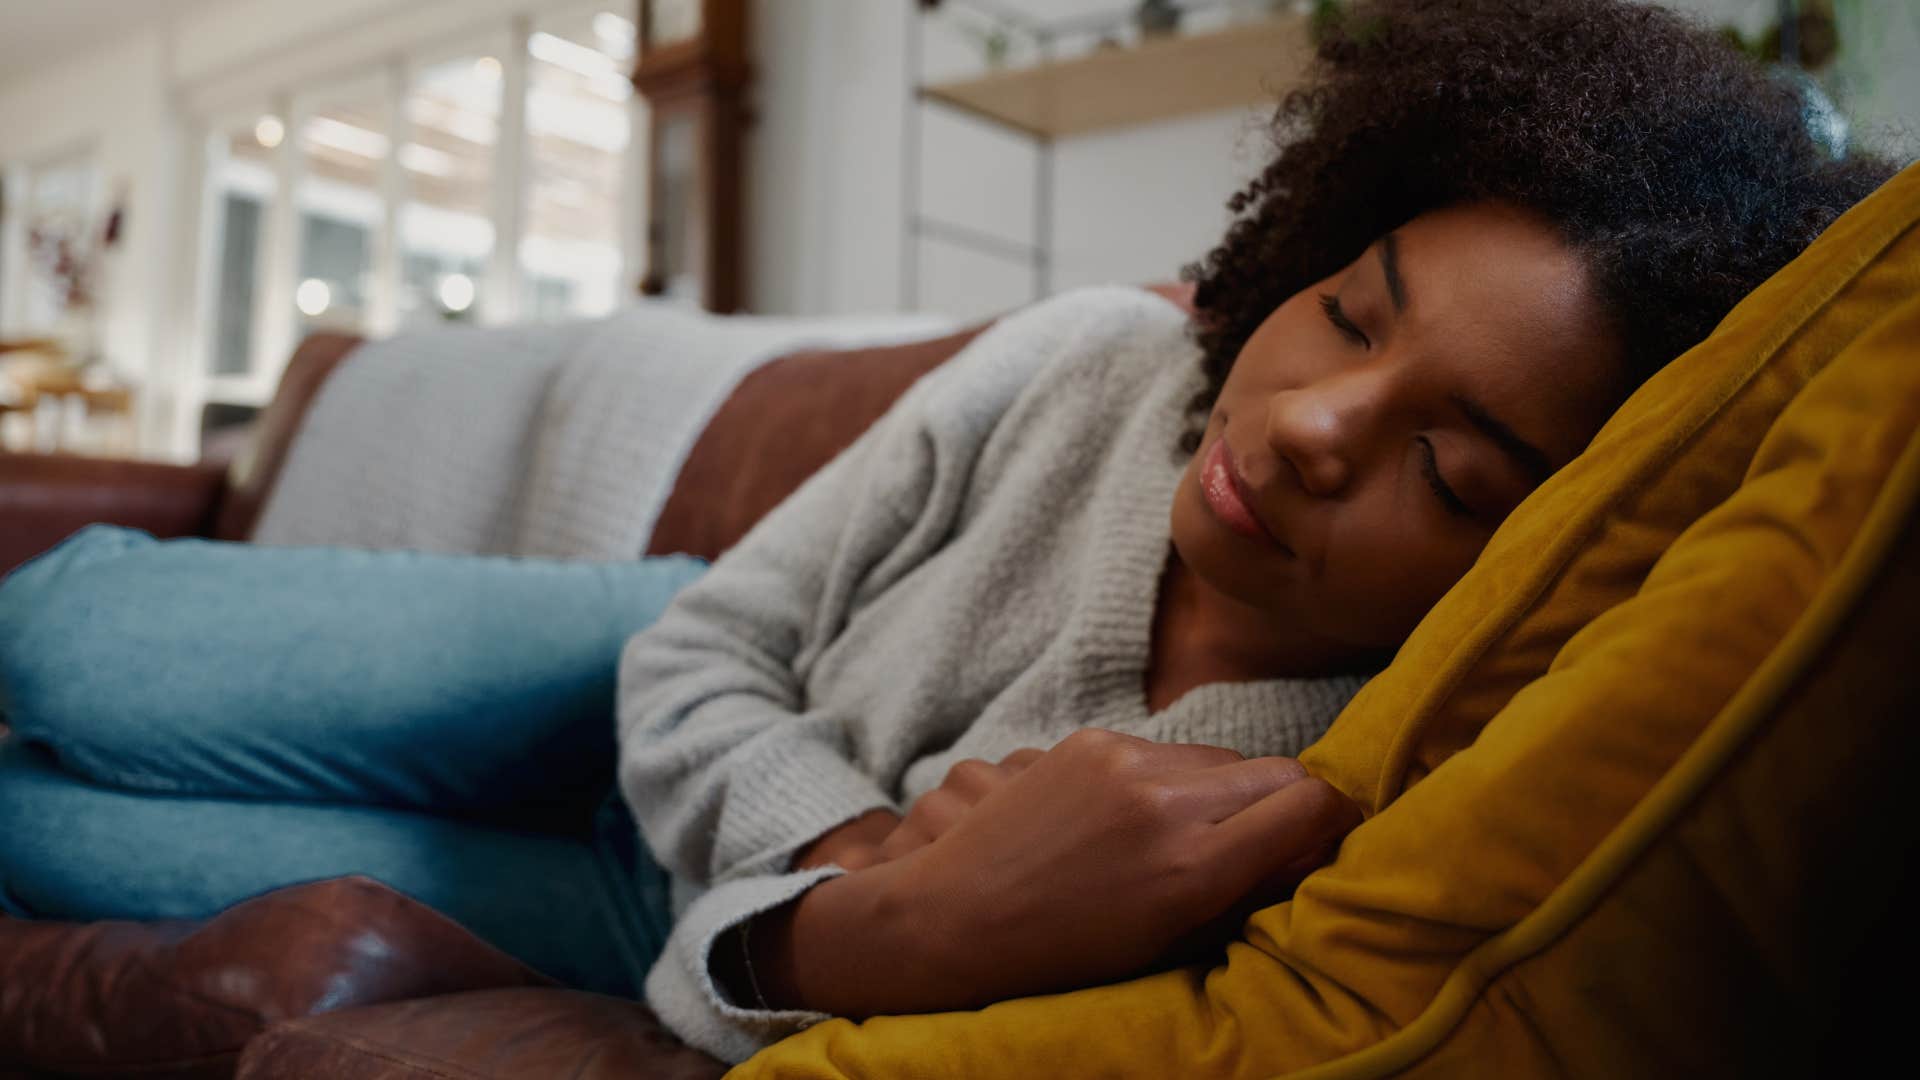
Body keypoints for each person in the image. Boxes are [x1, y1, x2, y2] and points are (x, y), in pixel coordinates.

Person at [0, 0, 1895, 1067]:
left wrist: (859, 930)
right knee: (64, 640)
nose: (1312, 424)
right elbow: (698, 648)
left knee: (35, 828)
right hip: (635, 687)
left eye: (1455, 472)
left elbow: (773, 987)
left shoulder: (1300, 796)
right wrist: (856, 850)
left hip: (659, 905)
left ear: (1538, 547)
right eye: (1352, 308)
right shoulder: (1099, 360)